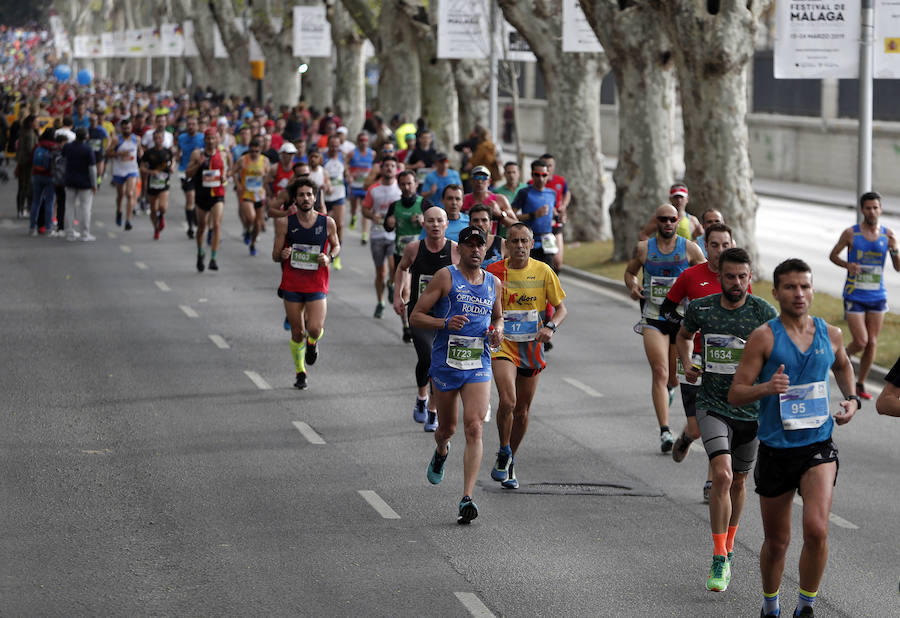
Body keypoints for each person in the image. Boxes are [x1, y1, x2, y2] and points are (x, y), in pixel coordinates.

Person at [728, 258, 860, 618]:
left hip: (818, 446)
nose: (799, 293)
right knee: (777, 542)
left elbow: (842, 364)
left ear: (813, 290)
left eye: (805, 286)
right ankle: (770, 606)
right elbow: (736, 393)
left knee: (816, 530)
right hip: (776, 450)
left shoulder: (830, 334)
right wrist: (766, 388)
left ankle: (805, 606)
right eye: (790, 287)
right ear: (776, 292)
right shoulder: (764, 337)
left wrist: (852, 399)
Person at [675, 247, 777, 593]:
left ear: (750, 277)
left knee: (740, 482)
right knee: (722, 474)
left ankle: (729, 545)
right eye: (730, 276)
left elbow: (782, 351)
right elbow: (683, 336)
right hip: (712, 404)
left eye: (742, 277)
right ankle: (719, 556)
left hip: (751, 410)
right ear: (719, 276)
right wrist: (687, 363)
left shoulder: (763, 313)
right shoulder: (702, 308)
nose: (736, 282)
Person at [410, 226, 503, 524]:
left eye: (480, 245)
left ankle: (467, 498)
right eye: (469, 244)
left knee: (474, 426)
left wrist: (497, 332)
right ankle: (441, 450)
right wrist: (445, 322)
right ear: (459, 249)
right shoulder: (445, 277)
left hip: (478, 363)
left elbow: (498, 317)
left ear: (485, 249)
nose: (475, 250)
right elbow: (416, 316)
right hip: (447, 364)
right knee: (447, 429)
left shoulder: (494, 283)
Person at [487, 223, 566, 490]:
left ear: (532, 244)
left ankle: (510, 458)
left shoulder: (543, 271)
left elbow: (561, 309)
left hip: (531, 347)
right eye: (514, 241)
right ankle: (503, 449)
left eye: (524, 241)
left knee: (522, 411)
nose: (519, 246)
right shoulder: (494, 272)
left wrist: (550, 327)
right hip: (503, 346)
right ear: (507, 245)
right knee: (508, 401)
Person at [660, 223, 734, 502]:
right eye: (714, 245)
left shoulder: (738, 278)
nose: (720, 250)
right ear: (705, 246)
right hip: (694, 358)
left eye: (725, 245)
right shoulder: (691, 276)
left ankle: (711, 482)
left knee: (720, 422)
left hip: (726, 360)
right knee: (697, 428)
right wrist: (687, 326)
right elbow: (667, 308)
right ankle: (686, 437)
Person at [624, 203, 705, 451]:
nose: (668, 223)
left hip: (681, 322)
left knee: (674, 378)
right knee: (659, 371)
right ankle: (665, 431)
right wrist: (633, 286)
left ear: (677, 220)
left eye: (672, 219)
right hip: (654, 317)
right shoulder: (644, 248)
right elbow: (630, 273)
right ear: (656, 221)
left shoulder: (689, 248)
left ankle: (670, 388)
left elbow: (705, 275)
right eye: (663, 219)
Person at [828, 191, 900, 400]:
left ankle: (860, 383)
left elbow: (898, 267)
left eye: (875, 207)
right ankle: (840, 357)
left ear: (881, 209)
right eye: (868, 208)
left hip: (877, 295)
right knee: (861, 341)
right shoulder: (851, 233)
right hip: (854, 294)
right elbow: (833, 255)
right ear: (862, 210)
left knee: (872, 343)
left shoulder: (887, 235)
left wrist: (895, 249)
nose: (872, 211)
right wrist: (847, 265)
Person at [393, 206, 459, 430]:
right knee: (427, 357)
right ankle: (422, 396)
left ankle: (432, 409)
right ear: (423, 224)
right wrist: (398, 295)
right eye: (430, 221)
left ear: (447, 224)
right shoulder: (414, 248)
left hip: (445, 315)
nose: (435, 225)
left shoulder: (455, 250)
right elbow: (402, 268)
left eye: (440, 220)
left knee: (439, 362)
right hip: (419, 314)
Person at [272, 179, 340, 390]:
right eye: (301, 195)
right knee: (297, 333)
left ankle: (312, 343)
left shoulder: (327, 222)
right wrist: (283, 254)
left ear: (315, 197)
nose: (305, 198)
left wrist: (329, 257)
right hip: (292, 284)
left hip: (317, 283)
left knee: (315, 329)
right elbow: (275, 255)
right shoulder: (285, 223)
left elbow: (336, 246)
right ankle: (300, 372)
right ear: (295, 199)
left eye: (309, 194)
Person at [385, 169, 427, 341]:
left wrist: (424, 221)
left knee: (421, 291)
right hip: (401, 255)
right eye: (403, 184)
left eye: (409, 183)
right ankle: (406, 325)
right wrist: (389, 223)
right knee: (406, 290)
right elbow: (387, 226)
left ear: (415, 184)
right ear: (399, 186)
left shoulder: (424, 204)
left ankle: (420, 321)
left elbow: (436, 224)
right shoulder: (394, 206)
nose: (407, 187)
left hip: (422, 256)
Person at [362, 156, 402, 318]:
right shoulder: (374, 189)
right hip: (377, 234)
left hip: (394, 235)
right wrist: (372, 216)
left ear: (396, 169)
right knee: (380, 273)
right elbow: (365, 209)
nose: (389, 168)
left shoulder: (400, 188)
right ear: (382, 169)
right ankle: (380, 302)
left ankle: (391, 284)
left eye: (392, 165)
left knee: (393, 268)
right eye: (386, 166)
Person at [186, 128, 226, 272]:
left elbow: (227, 172)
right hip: (202, 194)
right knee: (202, 227)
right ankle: (200, 253)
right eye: (208, 138)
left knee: (216, 224)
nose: (210, 141)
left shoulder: (223, 154)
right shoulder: (197, 154)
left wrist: (224, 177)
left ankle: (213, 259)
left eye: (213, 138)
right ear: (204, 140)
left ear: (217, 139)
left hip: (217, 194)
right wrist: (198, 164)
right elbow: (188, 173)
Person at [513, 160, 558, 269]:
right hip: (529, 240)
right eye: (537, 175)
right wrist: (533, 215)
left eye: (544, 175)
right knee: (529, 273)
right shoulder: (524, 193)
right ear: (532, 175)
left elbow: (553, 212)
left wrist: (559, 216)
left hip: (547, 239)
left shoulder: (552, 193)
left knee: (548, 272)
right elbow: (512, 216)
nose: (541, 178)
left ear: (548, 175)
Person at [234, 138, 270, 255]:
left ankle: (253, 244)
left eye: (256, 151)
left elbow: (269, 176)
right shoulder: (243, 160)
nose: (254, 153)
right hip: (246, 193)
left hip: (259, 194)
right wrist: (238, 184)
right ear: (249, 150)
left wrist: (264, 176)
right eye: (252, 151)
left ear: (260, 150)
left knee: (258, 224)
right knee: (251, 218)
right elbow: (233, 172)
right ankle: (247, 230)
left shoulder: (265, 161)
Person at [62, 127, 97, 242]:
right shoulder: (88, 149)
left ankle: (69, 232)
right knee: (85, 208)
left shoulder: (67, 147)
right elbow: (92, 169)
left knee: (69, 207)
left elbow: (63, 162)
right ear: (86, 136)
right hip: (85, 183)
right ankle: (84, 233)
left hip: (70, 180)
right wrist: (94, 184)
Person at [107, 117, 142, 231]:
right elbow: (108, 153)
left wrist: (141, 155)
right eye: (124, 128)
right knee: (120, 195)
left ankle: (128, 220)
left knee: (130, 194)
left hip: (132, 170)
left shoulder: (136, 139)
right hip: (119, 171)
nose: (127, 130)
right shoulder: (117, 140)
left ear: (131, 128)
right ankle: (119, 211)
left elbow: (140, 152)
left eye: (128, 128)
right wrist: (119, 154)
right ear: (121, 129)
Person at [139, 128, 174, 240]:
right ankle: (156, 228)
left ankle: (161, 216)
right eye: (156, 138)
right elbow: (142, 167)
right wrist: (151, 172)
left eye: (160, 138)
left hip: (164, 182)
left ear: (163, 139)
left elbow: (173, 161)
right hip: (152, 183)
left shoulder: (167, 152)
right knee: (153, 210)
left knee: (162, 207)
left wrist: (172, 167)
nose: (158, 140)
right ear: (153, 139)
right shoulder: (149, 153)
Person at [639, 183, 703, 242]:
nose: (679, 200)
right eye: (676, 197)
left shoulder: (693, 220)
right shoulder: (661, 218)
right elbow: (643, 235)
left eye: (681, 197)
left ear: (687, 199)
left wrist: (691, 247)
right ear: (670, 199)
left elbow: (703, 240)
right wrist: (653, 247)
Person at [176, 115, 205, 238]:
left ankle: (195, 218)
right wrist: (177, 157)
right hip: (185, 171)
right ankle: (190, 226)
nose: (191, 126)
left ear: (198, 126)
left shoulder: (203, 138)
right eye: (189, 124)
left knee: (197, 199)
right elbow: (178, 152)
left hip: (200, 172)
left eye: (193, 124)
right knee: (190, 198)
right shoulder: (181, 138)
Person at [323, 134, 348, 266]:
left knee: (340, 224)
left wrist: (349, 177)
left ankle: (337, 254)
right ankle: (323, 250)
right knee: (324, 226)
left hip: (339, 195)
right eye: (332, 146)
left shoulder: (343, 156)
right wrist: (325, 185)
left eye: (337, 146)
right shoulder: (322, 158)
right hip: (324, 197)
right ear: (328, 145)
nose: (334, 148)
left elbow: (346, 172)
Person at [29, 128, 58, 236]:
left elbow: (31, 159)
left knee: (36, 202)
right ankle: (48, 228)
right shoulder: (54, 147)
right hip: (50, 176)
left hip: (37, 175)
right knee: (50, 202)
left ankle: (32, 228)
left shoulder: (38, 145)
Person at [347, 132, 375, 243]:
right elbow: (345, 165)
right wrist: (349, 175)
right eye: (361, 140)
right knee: (354, 208)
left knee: (365, 209)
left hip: (366, 186)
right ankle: (353, 216)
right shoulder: (352, 153)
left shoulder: (372, 153)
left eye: (365, 140)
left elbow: (375, 168)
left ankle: (364, 233)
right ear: (358, 141)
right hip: (355, 185)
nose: (363, 142)